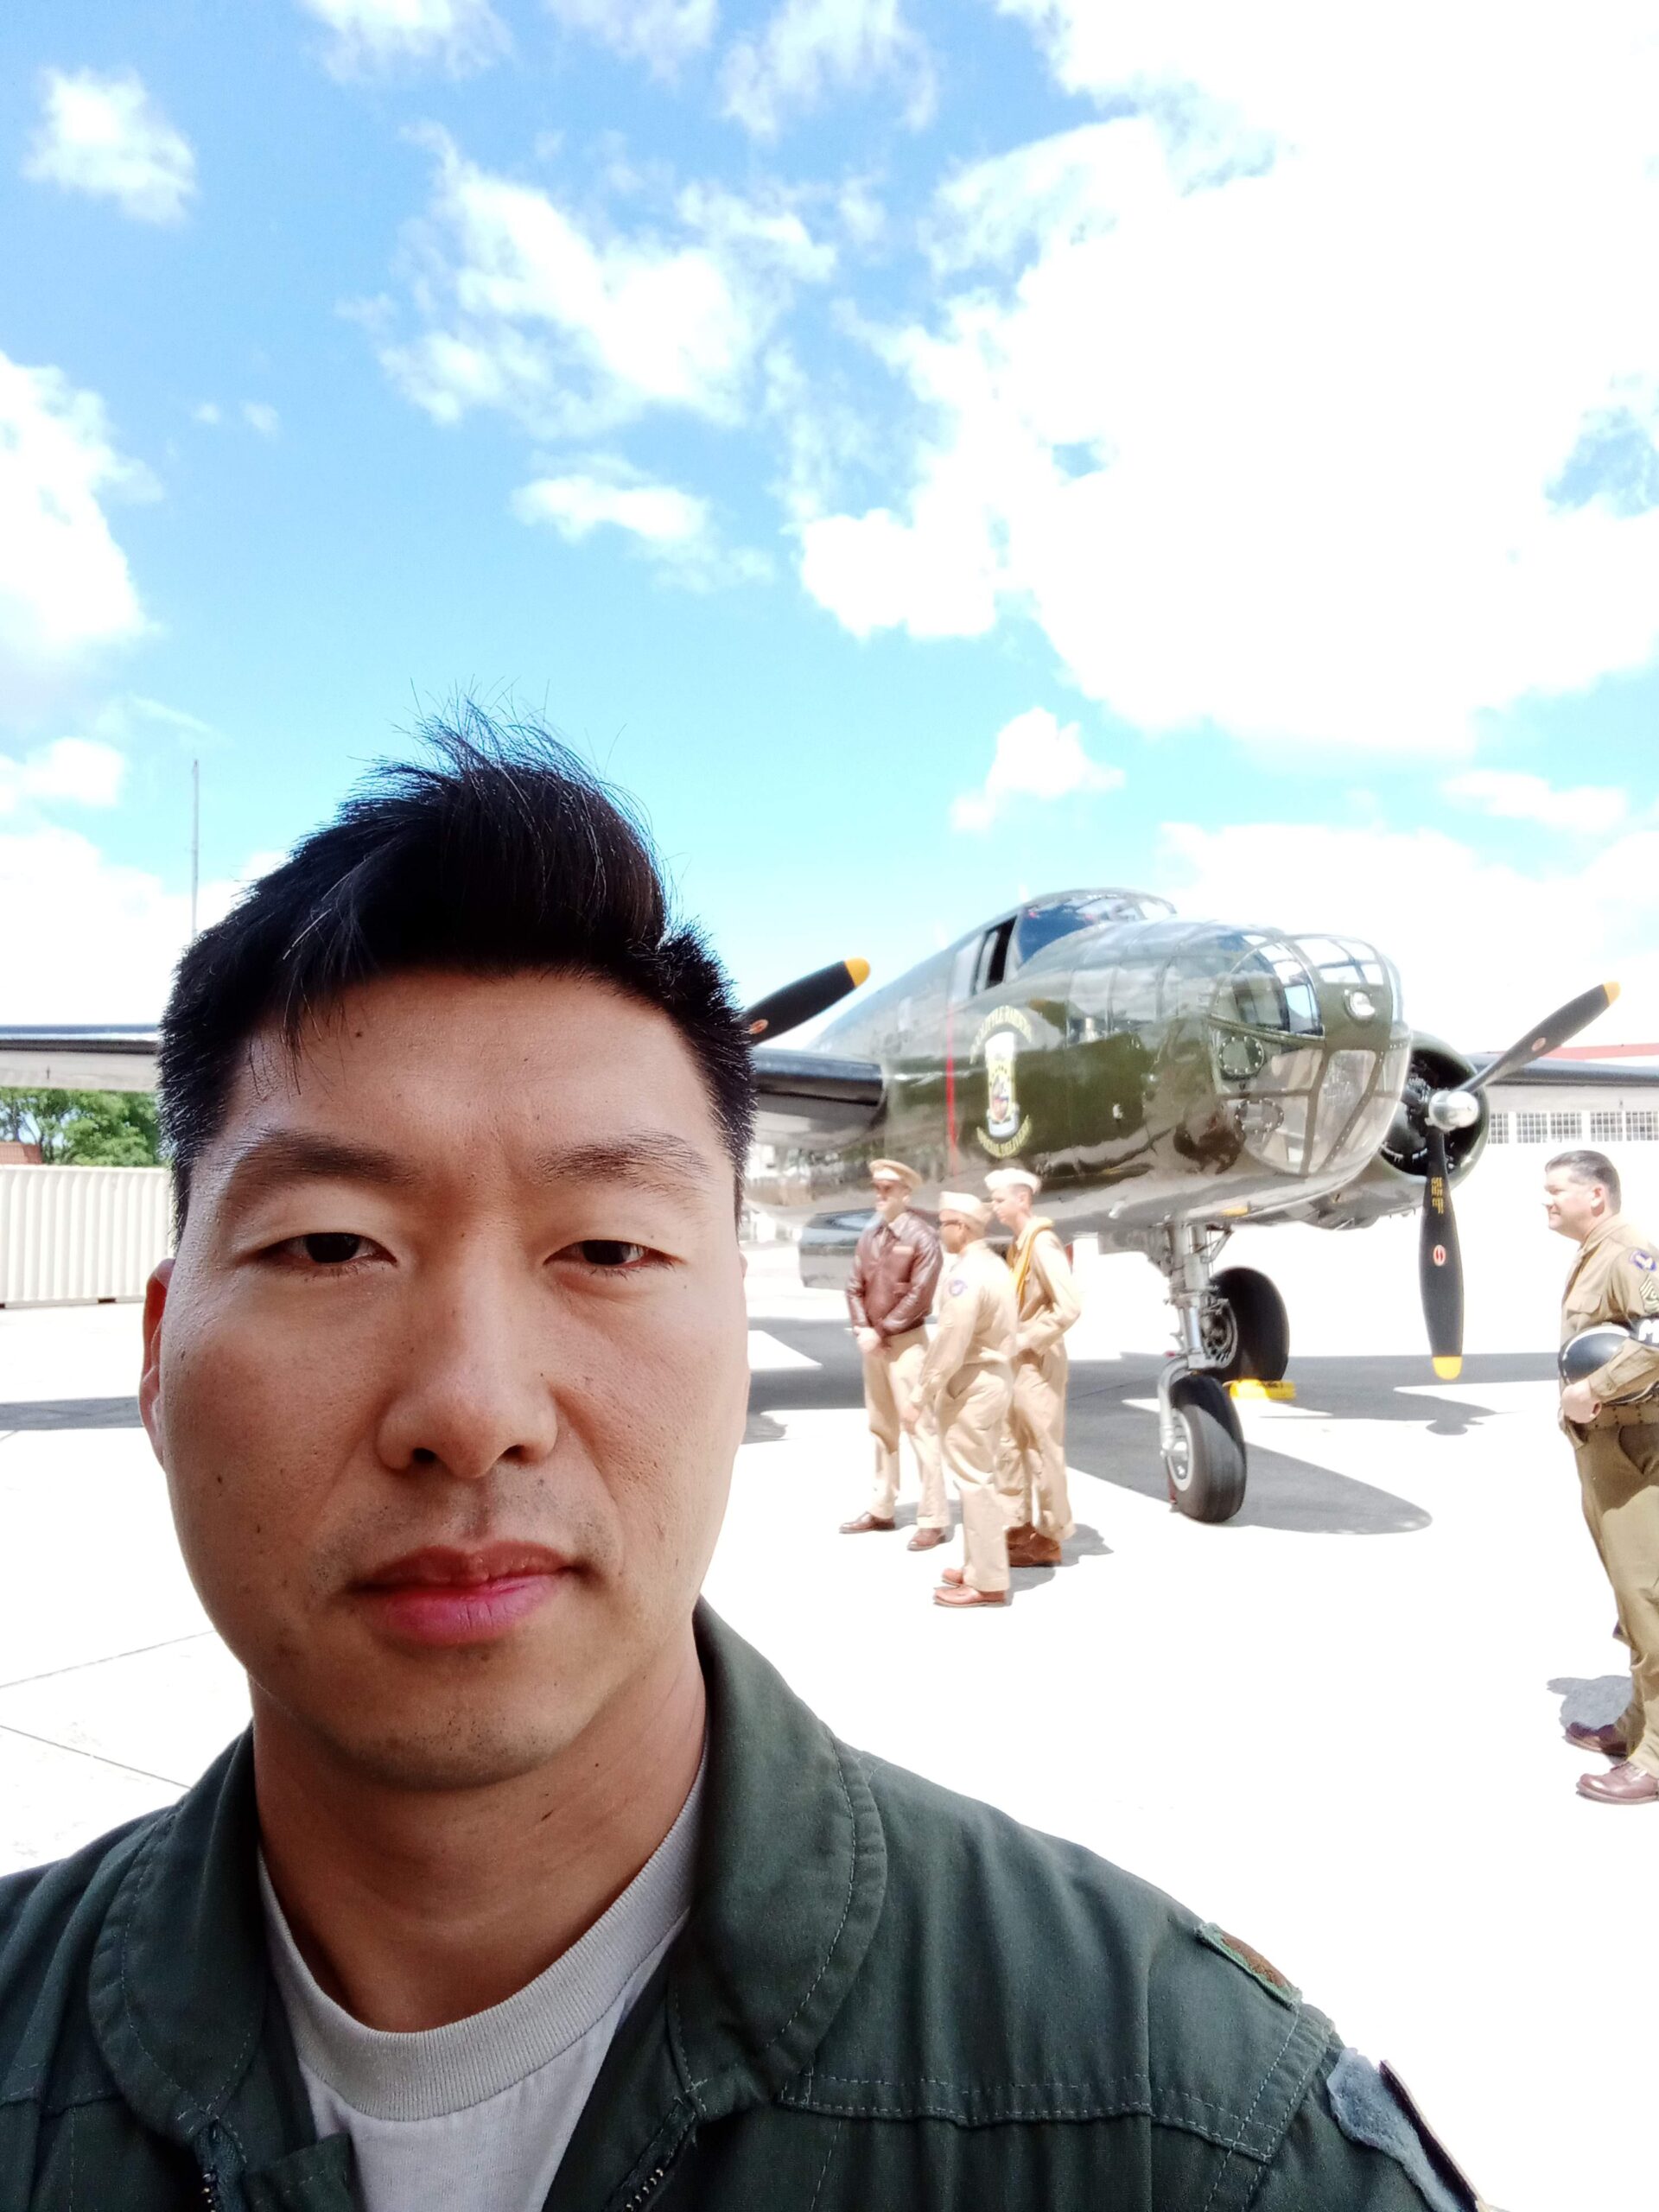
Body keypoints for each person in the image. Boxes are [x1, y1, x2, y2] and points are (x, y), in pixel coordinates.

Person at [0, 713, 1480, 2209]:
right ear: (159, 1351)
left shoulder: (1210, 2136)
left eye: (610, 1247)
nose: (475, 1406)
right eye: (331, 1244)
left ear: (726, 1309)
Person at [1547, 1147, 1659, 1806]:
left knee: (1649, 1601)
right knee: (1630, 1598)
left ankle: (1655, 1756)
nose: (1548, 1202)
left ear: (1597, 1195)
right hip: (1605, 1450)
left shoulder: (1629, 1251)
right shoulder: (1596, 1250)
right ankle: (1637, 1724)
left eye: (1557, 1190)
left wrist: (1595, 1388)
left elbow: (1656, 1336)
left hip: (1634, 1448)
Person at [903, 1192, 1018, 1611]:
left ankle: (987, 1581)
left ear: (963, 1228)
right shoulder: (993, 1265)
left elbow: (950, 1342)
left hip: (972, 1381)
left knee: (974, 1483)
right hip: (993, 1376)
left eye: (945, 1223)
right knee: (978, 1479)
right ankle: (977, 1565)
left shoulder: (965, 1276)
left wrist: (920, 1394)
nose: (940, 1230)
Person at [837, 1160, 946, 1550]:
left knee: (920, 1427)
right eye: (877, 1188)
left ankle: (933, 1517)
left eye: (888, 1189)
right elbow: (853, 1286)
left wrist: (881, 1330)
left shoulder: (922, 1237)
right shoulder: (870, 1236)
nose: (880, 1195)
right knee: (881, 1428)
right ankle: (882, 1506)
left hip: (907, 1346)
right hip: (874, 1345)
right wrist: (864, 1329)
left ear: (905, 1193)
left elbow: (921, 1295)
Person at [984, 1166, 1081, 1568]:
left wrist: (1025, 1339)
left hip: (1038, 1362)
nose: (994, 1206)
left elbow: (1069, 1307)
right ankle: (1018, 1526)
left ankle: (1052, 1536)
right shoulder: (1017, 1245)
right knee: (1010, 1445)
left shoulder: (1042, 1244)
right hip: (1016, 1363)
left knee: (1043, 1450)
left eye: (999, 1199)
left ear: (1022, 1199)